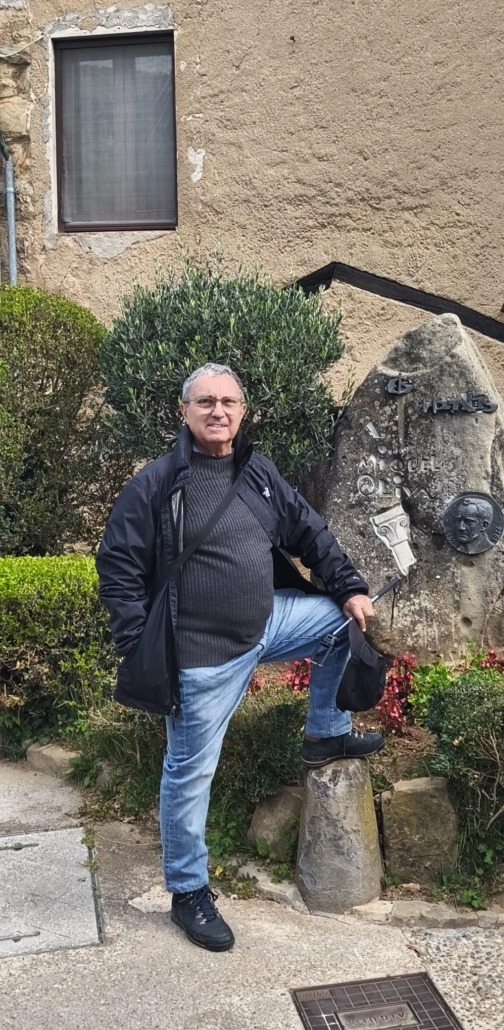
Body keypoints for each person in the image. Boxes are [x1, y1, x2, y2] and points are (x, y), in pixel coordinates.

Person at [96, 362, 384, 953]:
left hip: (268, 624)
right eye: (205, 402)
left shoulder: (257, 472)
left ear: (242, 411)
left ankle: (326, 733)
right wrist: (139, 644)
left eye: (228, 401)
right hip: (202, 656)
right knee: (189, 771)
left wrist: (350, 586)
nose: (218, 411)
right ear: (184, 412)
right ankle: (188, 891)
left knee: (342, 621)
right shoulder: (157, 483)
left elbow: (309, 531)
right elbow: (117, 564)